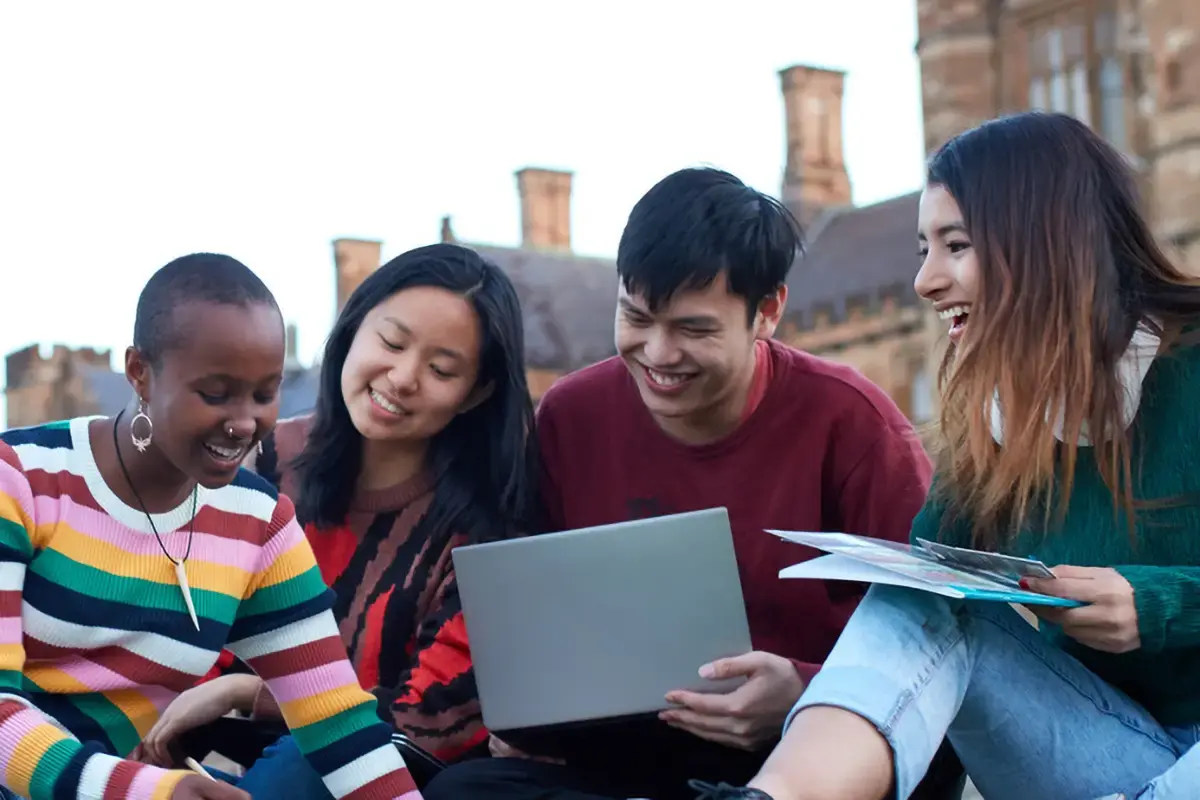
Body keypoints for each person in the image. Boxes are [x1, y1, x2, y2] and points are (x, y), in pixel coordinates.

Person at [423, 167, 957, 800]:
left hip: (805, 755)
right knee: (464, 793)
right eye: (636, 318)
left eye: (693, 329)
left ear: (768, 312)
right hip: (628, 755)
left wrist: (805, 690)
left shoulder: (853, 424)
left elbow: (944, 640)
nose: (657, 353)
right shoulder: (570, 415)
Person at [730, 111, 1200, 800]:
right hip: (1107, 748)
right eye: (924, 249)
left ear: (1044, 241)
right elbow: (916, 628)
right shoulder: (998, 417)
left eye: (955, 246)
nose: (924, 281)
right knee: (920, 598)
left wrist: (1161, 604)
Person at [0, 254, 421, 800]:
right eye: (216, 394)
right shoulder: (21, 480)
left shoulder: (259, 524)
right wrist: (150, 792)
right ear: (139, 373)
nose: (245, 421)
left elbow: (337, 722)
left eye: (265, 394)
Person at [137, 244, 538, 795]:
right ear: (352, 330)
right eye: (391, 343)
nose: (402, 377)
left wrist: (244, 694)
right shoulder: (265, 457)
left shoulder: (490, 522)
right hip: (219, 746)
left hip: (375, 767)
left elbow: (431, 717)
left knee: (314, 760)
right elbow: (185, 621)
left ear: (477, 393)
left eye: (441, 369)